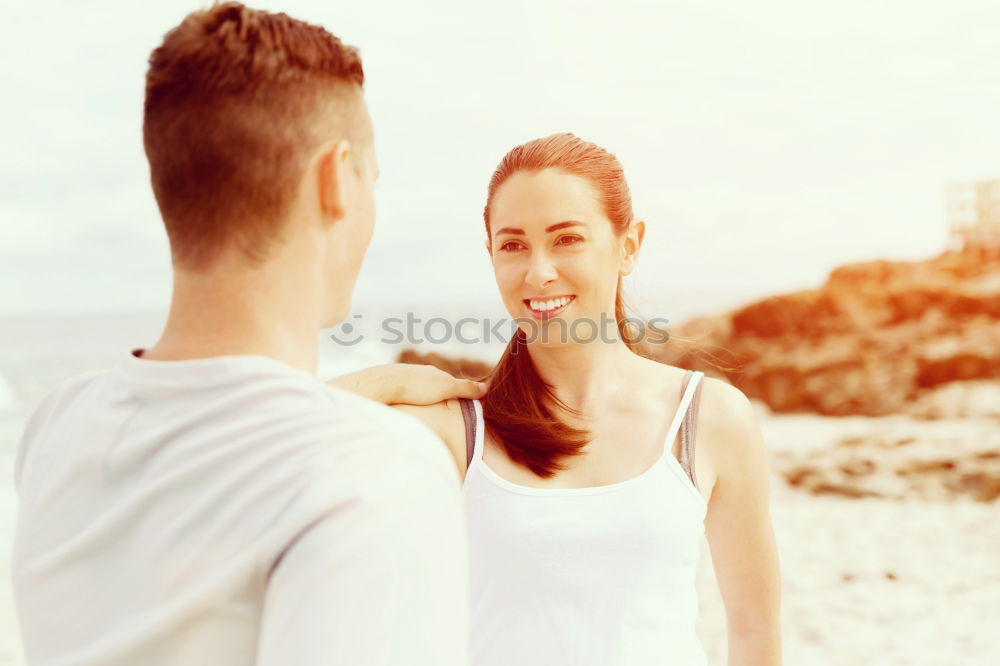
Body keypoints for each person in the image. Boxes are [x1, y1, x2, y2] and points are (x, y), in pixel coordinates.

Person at [11, 4, 480, 665]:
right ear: (336, 177)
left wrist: (356, 394)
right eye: (372, 180)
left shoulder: (56, 429)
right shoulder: (380, 472)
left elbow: (213, 429)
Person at [392, 133, 783, 665]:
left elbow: (754, 634)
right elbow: (265, 445)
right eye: (512, 245)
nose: (538, 272)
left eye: (567, 239)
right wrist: (381, 384)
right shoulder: (456, 430)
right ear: (491, 255)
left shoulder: (708, 419)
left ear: (628, 246)